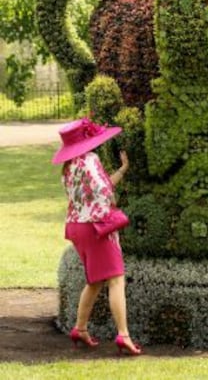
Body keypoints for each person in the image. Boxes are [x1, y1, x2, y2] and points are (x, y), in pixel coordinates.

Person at [52, 116, 142, 356]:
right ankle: (123, 335)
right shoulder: (90, 159)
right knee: (116, 279)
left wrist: (121, 171)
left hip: (76, 227)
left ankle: (80, 329)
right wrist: (110, 204)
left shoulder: (68, 167)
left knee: (95, 280)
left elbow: (94, 189)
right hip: (96, 227)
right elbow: (103, 190)